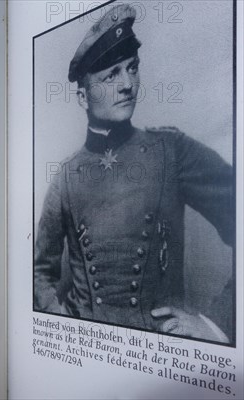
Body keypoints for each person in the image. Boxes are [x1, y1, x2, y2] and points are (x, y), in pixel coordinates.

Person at [33, 3, 234, 343]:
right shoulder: (67, 176)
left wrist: (217, 324)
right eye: (110, 75)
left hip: (156, 355)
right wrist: (61, 324)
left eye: (132, 68)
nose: (127, 84)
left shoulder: (171, 151)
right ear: (83, 96)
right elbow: (41, 272)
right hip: (87, 353)